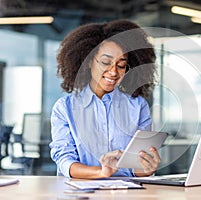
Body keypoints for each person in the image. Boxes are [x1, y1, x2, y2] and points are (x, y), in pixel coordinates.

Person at [49, 19, 160, 179]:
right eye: (106, 62)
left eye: (121, 65)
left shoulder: (137, 106)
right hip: (81, 193)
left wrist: (148, 167)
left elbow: (136, 168)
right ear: (88, 61)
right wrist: (101, 172)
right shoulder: (64, 108)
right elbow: (64, 160)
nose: (113, 72)